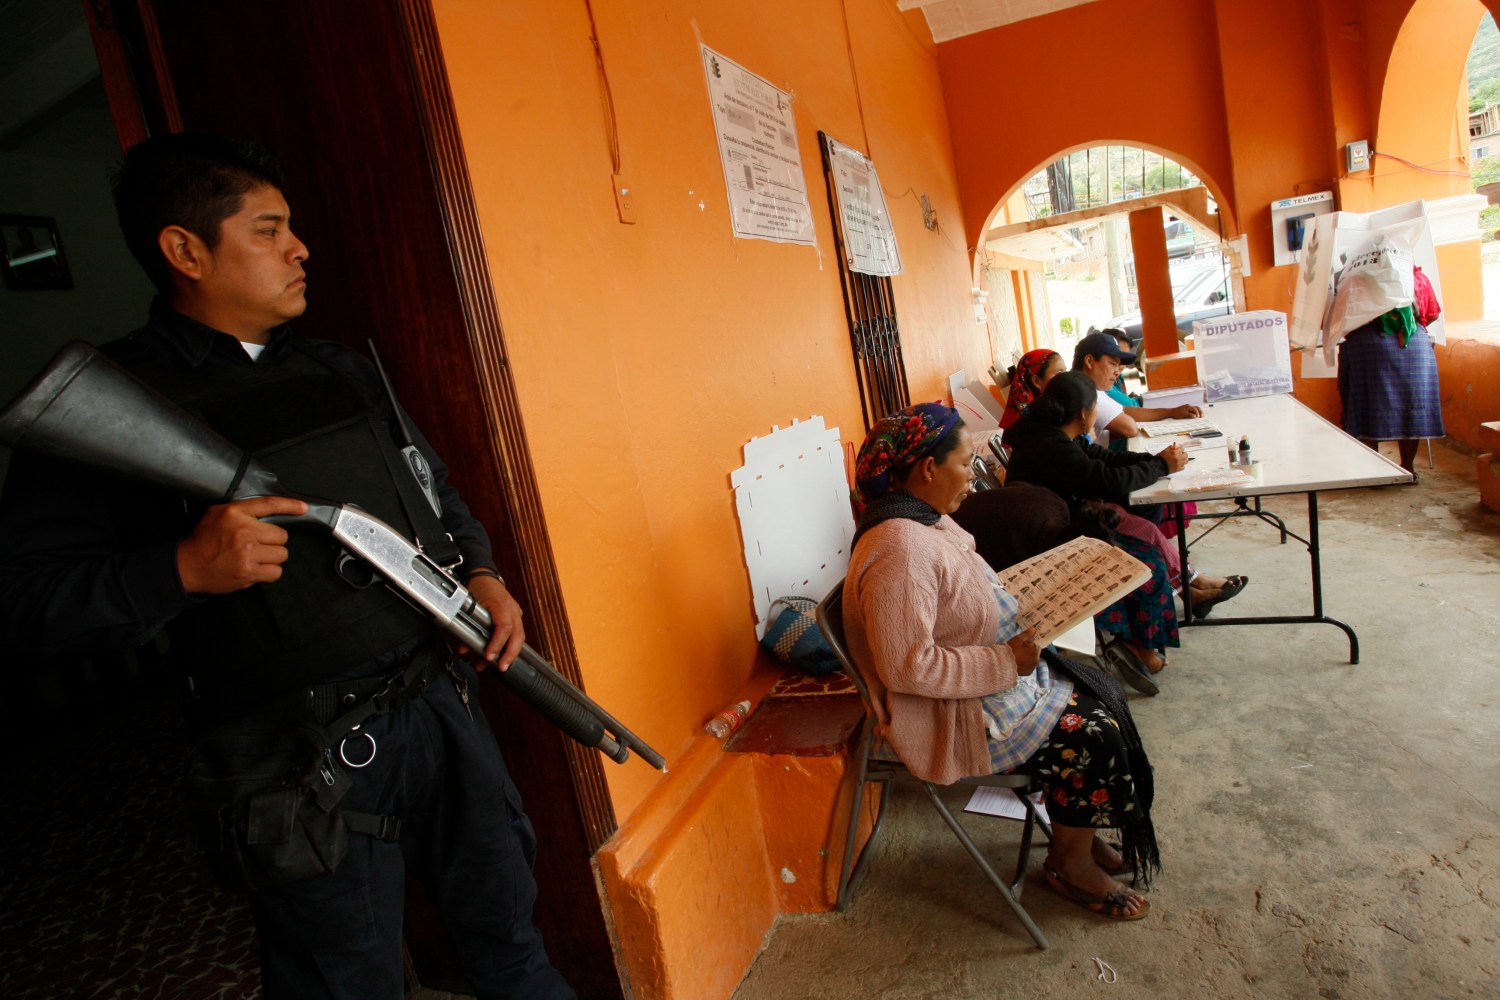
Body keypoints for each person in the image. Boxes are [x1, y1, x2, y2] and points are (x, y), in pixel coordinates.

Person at [0, 134, 574, 999]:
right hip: (289, 757)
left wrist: (481, 574)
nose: (299, 249)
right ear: (185, 250)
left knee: (513, 951)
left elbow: (433, 491)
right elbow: (24, 605)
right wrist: (181, 570)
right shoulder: (107, 406)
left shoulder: (340, 368)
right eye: (268, 230)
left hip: (437, 707)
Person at [843, 402, 1160, 920]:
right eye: (965, 463)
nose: (974, 475)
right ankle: (1069, 863)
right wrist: (1004, 662)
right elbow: (908, 667)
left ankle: (1074, 831)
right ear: (928, 469)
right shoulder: (900, 549)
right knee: (1093, 733)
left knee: (1097, 692)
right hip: (948, 714)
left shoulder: (923, 521)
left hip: (980, 684)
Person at [1004, 373, 1246, 625]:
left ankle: (1192, 587)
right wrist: (1160, 466)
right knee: (1141, 529)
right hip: (1052, 533)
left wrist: (1156, 460)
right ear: (1084, 414)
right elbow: (1108, 482)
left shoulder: (1053, 434)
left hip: (1061, 514)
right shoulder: (1052, 446)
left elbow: (1103, 458)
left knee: (1143, 526)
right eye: (1096, 408)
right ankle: (1192, 586)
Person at [952, 484, 1178, 695]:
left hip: (1001, 536)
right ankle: (1124, 650)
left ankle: (1132, 646)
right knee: (1066, 611)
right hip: (974, 562)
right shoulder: (1031, 545)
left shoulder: (1055, 513)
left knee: (1137, 576)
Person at [1335, 265, 1444, 478]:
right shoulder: (1416, 277)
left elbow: (1337, 318)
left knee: (1367, 405)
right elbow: (1432, 314)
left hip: (1368, 343)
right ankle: (1408, 468)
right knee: (1412, 406)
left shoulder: (1352, 277)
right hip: (1414, 343)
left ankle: (1374, 471)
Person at [1071, 331, 1201, 443]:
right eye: (1112, 364)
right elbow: (1129, 428)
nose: (1117, 371)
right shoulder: (1082, 392)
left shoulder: (1091, 387)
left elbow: (1125, 410)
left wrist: (1171, 412)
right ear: (1089, 361)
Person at [998, 348, 1065, 430]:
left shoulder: (1051, 410)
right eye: (1059, 373)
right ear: (1036, 381)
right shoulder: (1030, 422)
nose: (1066, 378)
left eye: (1065, 372)